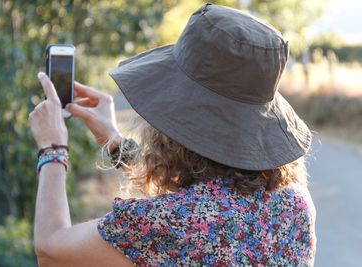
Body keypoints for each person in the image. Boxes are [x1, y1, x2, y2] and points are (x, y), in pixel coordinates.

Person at [29, 4, 316, 267]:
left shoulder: (165, 224)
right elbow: (209, 194)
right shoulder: (295, 206)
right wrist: (115, 143)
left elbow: (51, 250)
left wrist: (53, 148)